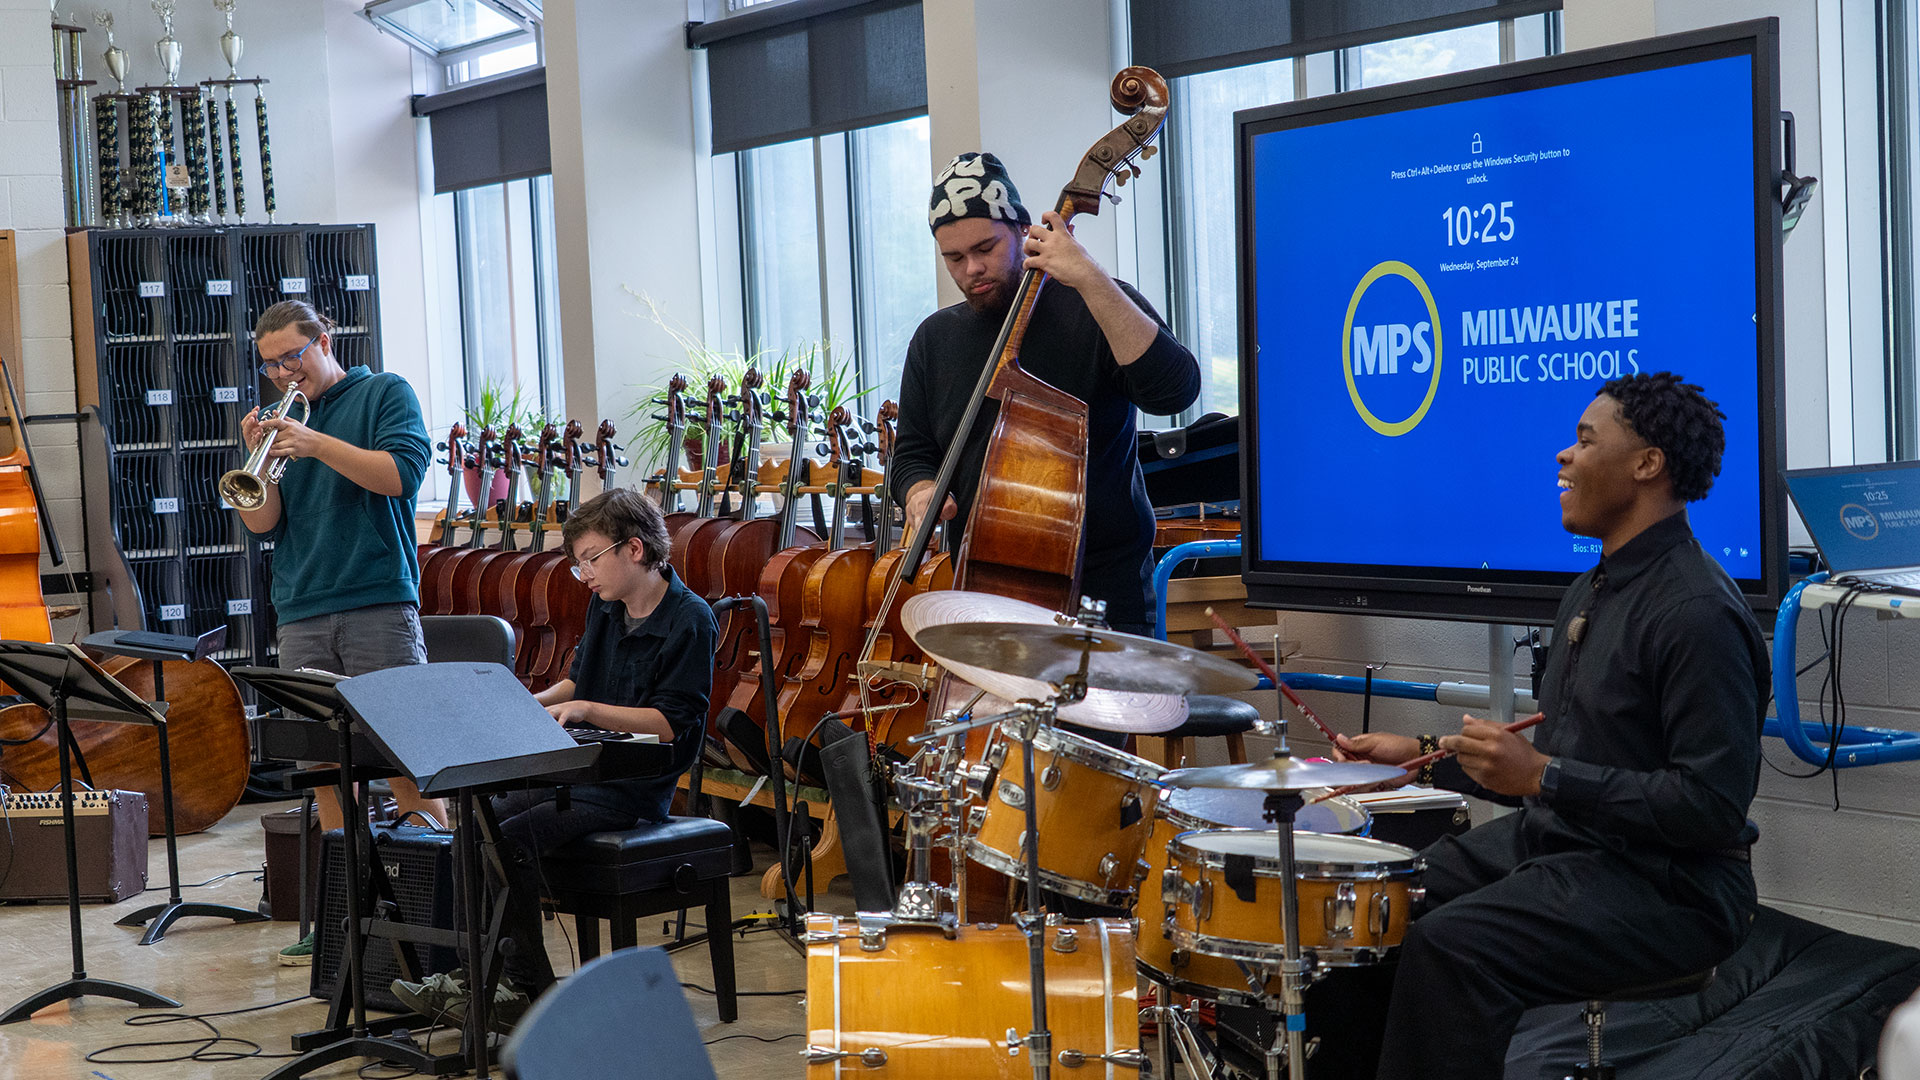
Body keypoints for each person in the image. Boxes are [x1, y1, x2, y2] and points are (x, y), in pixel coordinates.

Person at [1336, 372, 1769, 1078]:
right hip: (1567, 845)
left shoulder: (1698, 614)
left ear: (1647, 464)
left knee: (1451, 948)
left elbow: (1711, 806)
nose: (1564, 455)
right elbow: (1559, 766)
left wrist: (1545, 777)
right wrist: (1419, 754)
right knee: (1377, 902)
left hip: (1672, 889)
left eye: (1585, 441)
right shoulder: (1591, 589)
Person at [391, 488, 716, 1028]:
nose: (583, 574)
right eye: (577, 564)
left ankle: (521, 989)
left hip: (633, 789)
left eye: (589, 559)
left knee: (510, 841)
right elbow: (576, 682)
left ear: (634, 549)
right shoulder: (606, 606)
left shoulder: (690, 619)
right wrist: (520, 702)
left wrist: (587, 709)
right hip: (580, 771)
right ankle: (478, 977)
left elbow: (668, 724)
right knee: (477, 823)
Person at [892, 152, 1201, 639]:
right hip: (984, 591)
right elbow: (912, 454)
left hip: (1104, 594)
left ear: (1023, 231)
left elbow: (1175, 391)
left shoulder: (1098, 305)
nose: (973, 268)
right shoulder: (934, 340)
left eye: (986, 248)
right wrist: (920, 490)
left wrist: (1090, 277)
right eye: (954, 258)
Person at [235, 300, 439, 966]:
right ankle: (344, 912)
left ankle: (433, 902)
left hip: (377, 600)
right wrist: (256, 460)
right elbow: (264, 523)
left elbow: (401, 476)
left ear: (325, 340)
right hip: (301, 608)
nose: (281, 374)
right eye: (269, 365)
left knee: (405, 754)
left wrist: (315, 442)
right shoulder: (283, 421)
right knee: (322, 765)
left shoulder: (385, 393)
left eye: (291, 357)